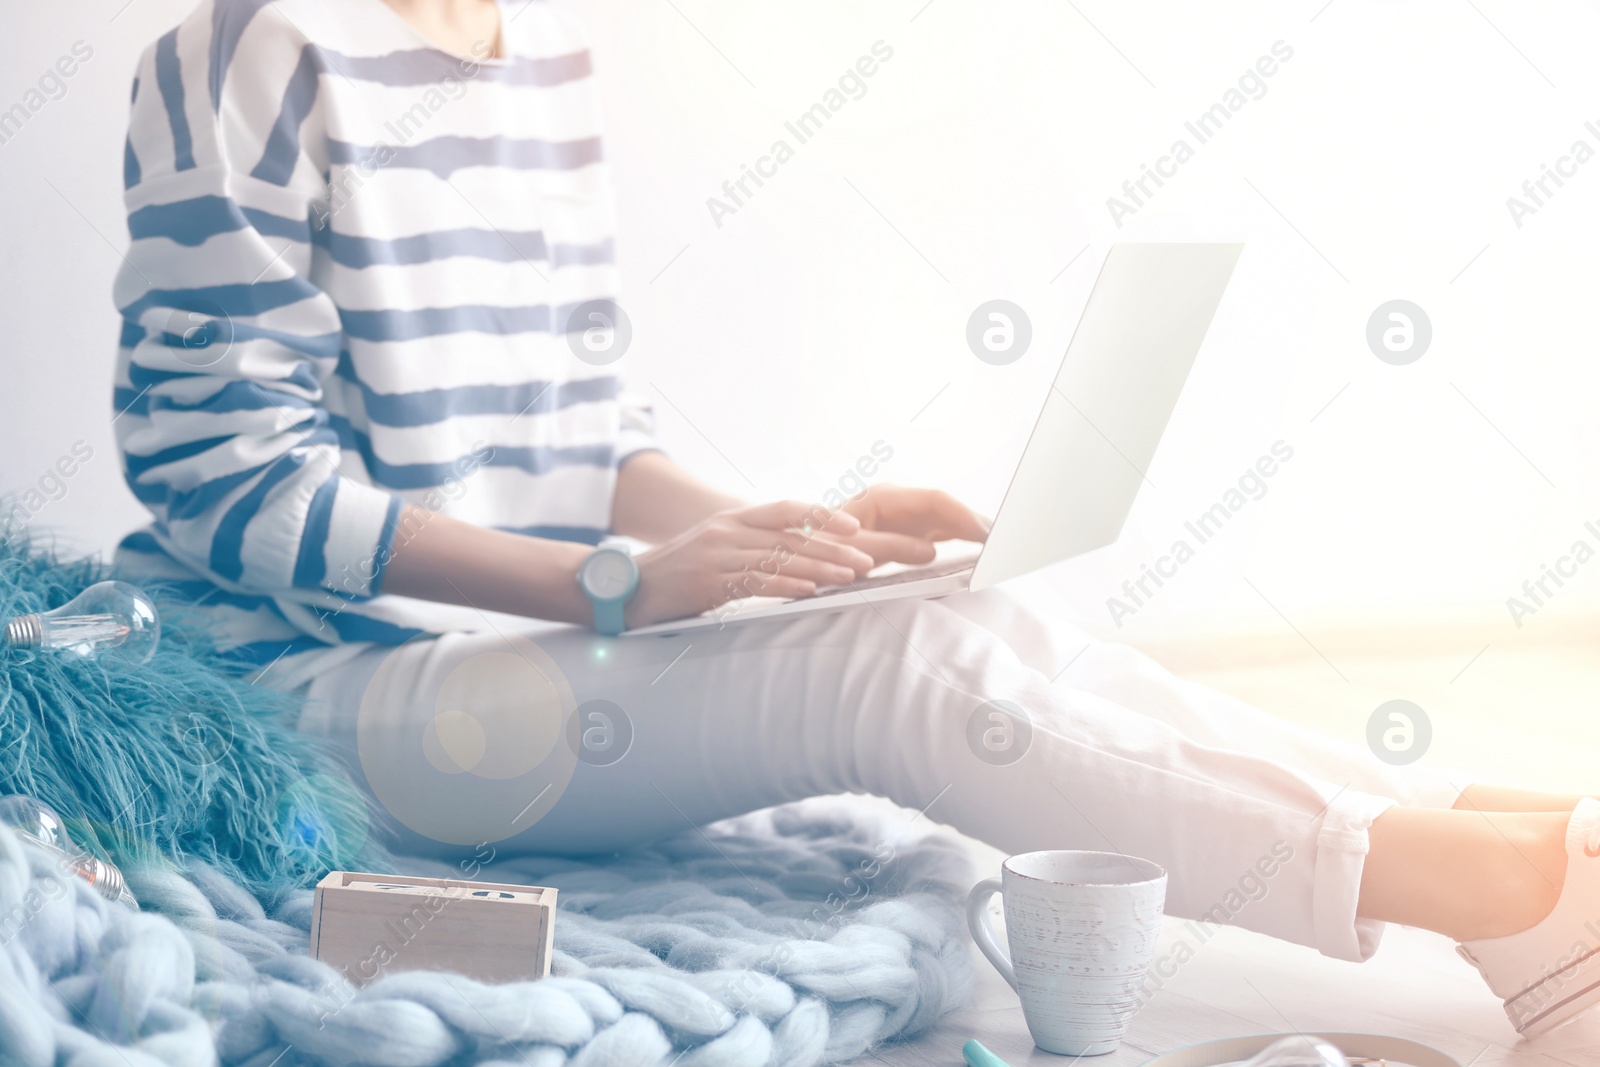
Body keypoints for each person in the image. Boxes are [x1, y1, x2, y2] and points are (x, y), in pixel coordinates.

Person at [112, 0, 1599, 1037]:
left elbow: (583, 438)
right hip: (297, 702)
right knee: (891, 682)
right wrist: (620, 592)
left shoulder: (541, 42)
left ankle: (1506, 838)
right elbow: (225, 483)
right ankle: (1483, 891)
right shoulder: (256, 44)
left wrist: (782, 539)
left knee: (952, 615)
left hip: (510, 657)